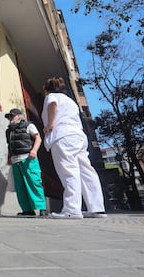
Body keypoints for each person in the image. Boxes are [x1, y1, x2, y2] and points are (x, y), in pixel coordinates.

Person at [41, 76, 107, 219]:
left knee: (69, 172)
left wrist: (50, 124)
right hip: (78, 136)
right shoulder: (70, 101)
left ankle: (72, 209)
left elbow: (52, 105)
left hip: (62, 136)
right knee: (86, 171)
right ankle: (97, 208)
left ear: (47, 89)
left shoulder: (52, 96)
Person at [5, 108, 47, 217]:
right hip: (15, 160)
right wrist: (9, 156)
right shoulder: (9, 131)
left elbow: (38, 138)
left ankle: (42, 208)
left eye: (12, 116)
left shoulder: (29, 125)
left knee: (34, 182)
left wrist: (34, 150)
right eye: (9, 117)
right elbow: (10, 145)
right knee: (20, 186)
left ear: (19, 116)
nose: (10, 118)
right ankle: (27, 209)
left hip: (28, 158)